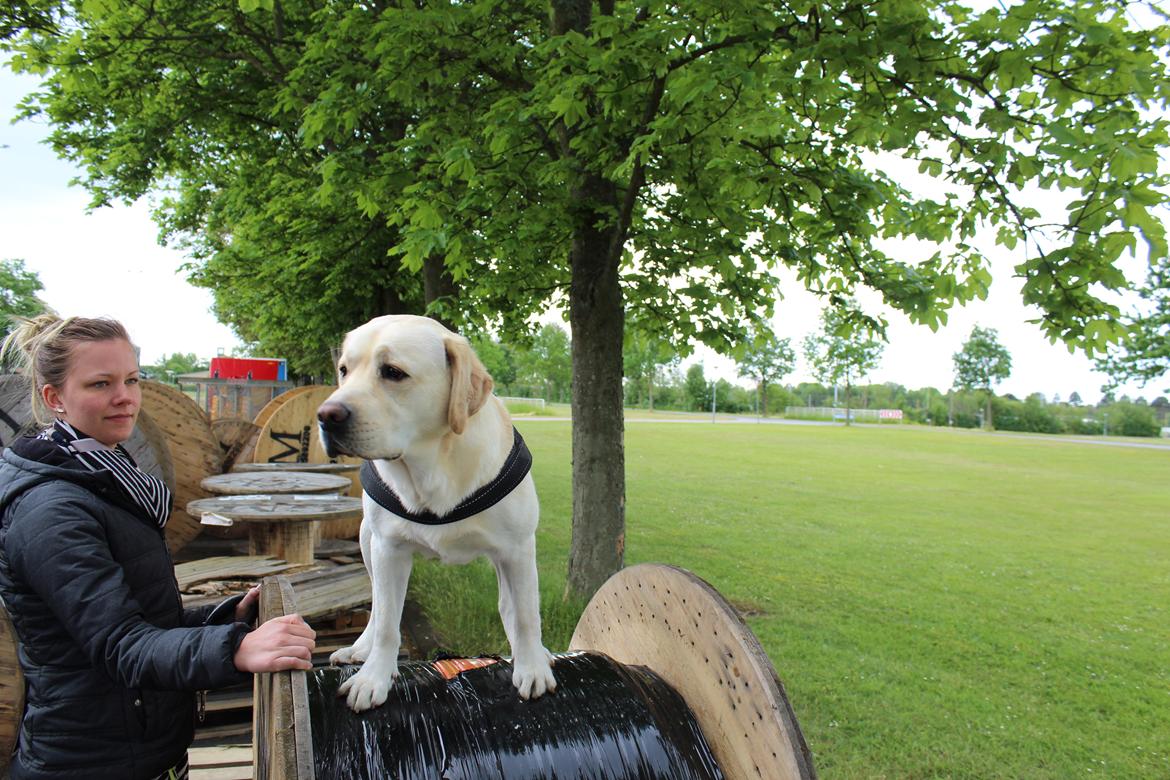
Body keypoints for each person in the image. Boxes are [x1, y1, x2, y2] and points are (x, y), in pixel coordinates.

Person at [0, 314, 317, 780]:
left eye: (131, 379)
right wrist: (234, 650)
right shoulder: (51, 511)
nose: (124, 397)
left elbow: (138, 616)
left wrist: (224, 619)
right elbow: (121, 646)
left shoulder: (102, 473)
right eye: (100, 383)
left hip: (140, 747)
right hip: (89, 761)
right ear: (54, 399)